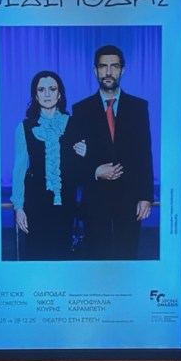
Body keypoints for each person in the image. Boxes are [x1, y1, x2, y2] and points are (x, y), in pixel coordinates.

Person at [69, 44, 155, 260]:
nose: (108, 72)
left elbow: (145, 154)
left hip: (129, 198)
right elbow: (75, 158)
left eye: (114, 66)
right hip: (95, 199)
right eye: (103, 66)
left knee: (128, 257)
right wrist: (95, 171)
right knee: (97, 258)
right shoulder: (80, 109)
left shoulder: (138, 107)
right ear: (95, 70)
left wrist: (146, 196)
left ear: (122, 70)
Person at [10, 70, 85, 260]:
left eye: (52, 89)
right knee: (37, 255)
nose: (47, 94)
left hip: (66, 202)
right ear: (35, 96)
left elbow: (82, 168)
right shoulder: (24, 128)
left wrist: (86, 153)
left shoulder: (75, 124)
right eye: (41, 90)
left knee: (63, 255)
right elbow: (19, 170)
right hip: (35, 202)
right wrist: (19, 207)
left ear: (59, 94)